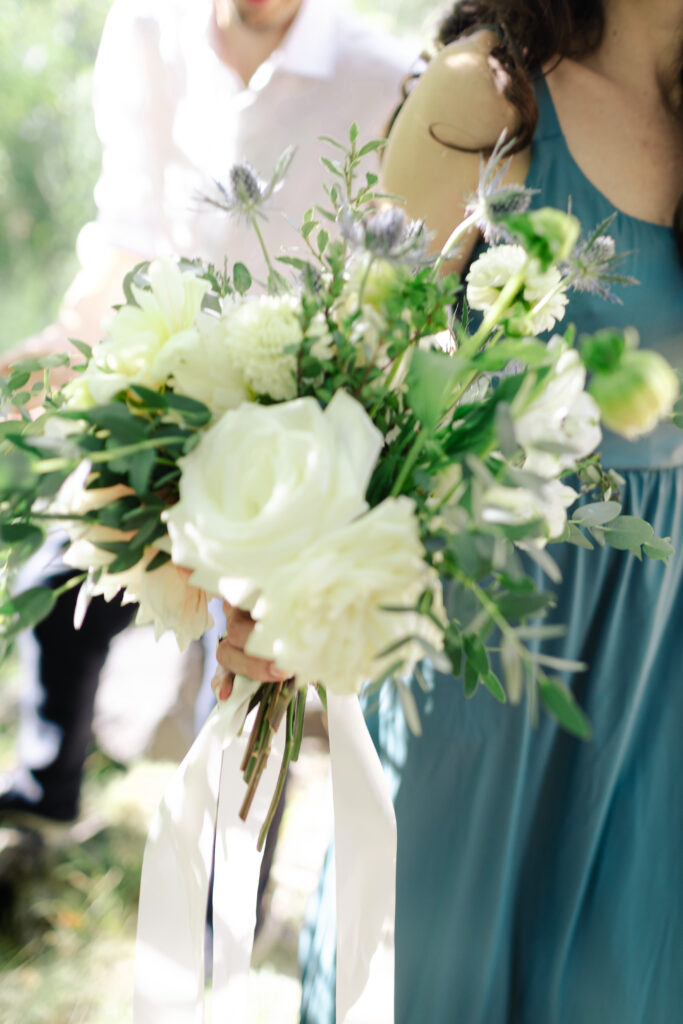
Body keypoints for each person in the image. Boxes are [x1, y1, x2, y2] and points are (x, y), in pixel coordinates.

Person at [215, 1, 683, 1020]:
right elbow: (344, 386)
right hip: (485, 656)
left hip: (663, 671)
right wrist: (275, 574)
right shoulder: (489, 95)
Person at [0, 0, 413, 828]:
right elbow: (129, 221)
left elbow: (392, 270)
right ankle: (47, 792)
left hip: (293, 430)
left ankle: (223, 914)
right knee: (59, 589)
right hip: (165, 391)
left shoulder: (380, 73)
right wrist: (68, 338)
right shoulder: (148, 29)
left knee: (246, 678)